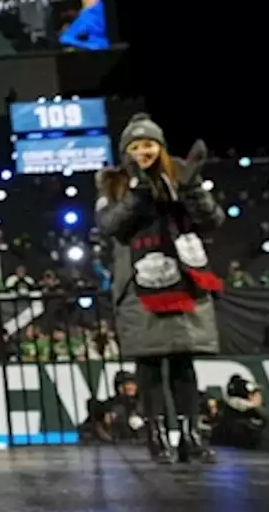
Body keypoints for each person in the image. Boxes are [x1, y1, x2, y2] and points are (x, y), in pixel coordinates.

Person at [95, 113, 224, 465]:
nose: (143, 151)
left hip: (183, 280)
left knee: (183, 361)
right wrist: (138, 193)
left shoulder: (180, 176)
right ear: (125, 152)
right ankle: (155, 436)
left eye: (149, 144)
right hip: (139, 284)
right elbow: (111, 227)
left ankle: (190, 434)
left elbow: (212, 221)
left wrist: (192, 188)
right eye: (135, 146)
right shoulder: (112, 183)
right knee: (150, 364)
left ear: (160, 146)